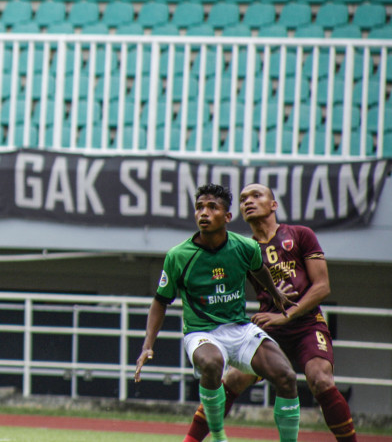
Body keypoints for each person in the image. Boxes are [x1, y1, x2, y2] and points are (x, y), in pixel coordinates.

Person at [183, 183, 357, 442]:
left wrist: (287, 314)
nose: (248, 201)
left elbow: (322, 287)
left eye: (256, 195)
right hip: (269, 327)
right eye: (243, 199)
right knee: (231, 382)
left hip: (307, 325)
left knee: (320, 380)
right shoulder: (242, 248)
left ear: (273, 204)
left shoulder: (300, 235)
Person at [135, 183, 301, 442]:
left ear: (227, 217)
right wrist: (147, 345)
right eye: (200, 207)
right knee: (212, 364)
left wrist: (275, 293)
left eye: (212, 207)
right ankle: (219, 437)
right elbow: (160, 301)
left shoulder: (245, 247)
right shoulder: (178, 256)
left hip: (240, 328)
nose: (204, 212)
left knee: (287, 376)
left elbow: (258, 269)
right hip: (201, 333)